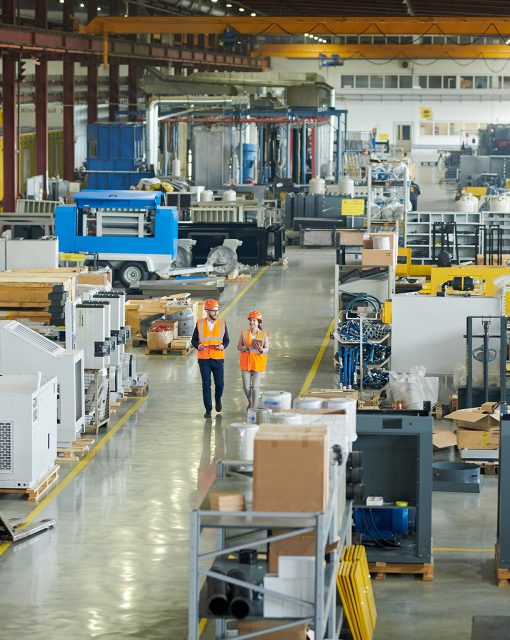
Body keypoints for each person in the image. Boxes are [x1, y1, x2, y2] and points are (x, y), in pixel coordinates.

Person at [191, 299, 229, 418]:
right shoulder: (199, 324)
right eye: (213, 311)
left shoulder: (222, 323)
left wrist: (223, 346)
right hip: (204, 359)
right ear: (207, 311)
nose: (216, 313)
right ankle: (208, 409)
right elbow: (194, 340)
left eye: (217, 311)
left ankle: (218, 400)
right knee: (206, 384)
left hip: (218, 358)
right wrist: (198, 346)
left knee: (220, 384)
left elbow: (227, 340)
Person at [238, 310, 269, 409]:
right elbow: (239, 347)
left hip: (257, 363)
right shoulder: (244, 333)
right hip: (246, 364)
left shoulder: (264, 334)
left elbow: (267, 349)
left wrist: (261, 350)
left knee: (255, 387)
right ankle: (251, 401)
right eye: (251, 320)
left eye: (254, 320)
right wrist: (246, 348)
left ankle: (254, 408)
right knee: (246, 387)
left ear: (258, 322)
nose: (252, 322)